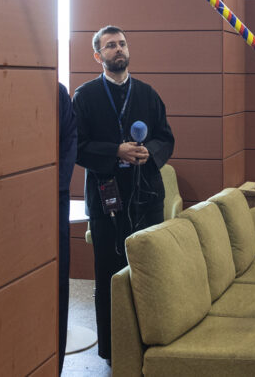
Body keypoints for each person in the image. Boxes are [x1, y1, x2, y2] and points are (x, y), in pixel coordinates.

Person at [73, 26, 175, 363]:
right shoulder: (84, 97)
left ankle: (151, 344)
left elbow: (165, 137)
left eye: (122, 44)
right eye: (110, 46)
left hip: (147, 198)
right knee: (111, 275)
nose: (118, 49)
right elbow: (76, 148)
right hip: (107, 200)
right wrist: (115, 151)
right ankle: (113, 349)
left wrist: (151, 153)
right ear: (98, 56)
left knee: (149, 273)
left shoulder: (147, 93)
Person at [58, 82, 78, 374]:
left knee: (58, 284)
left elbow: (69, 141)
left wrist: (56, 185)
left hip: (52, 201)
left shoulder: (57, 92)